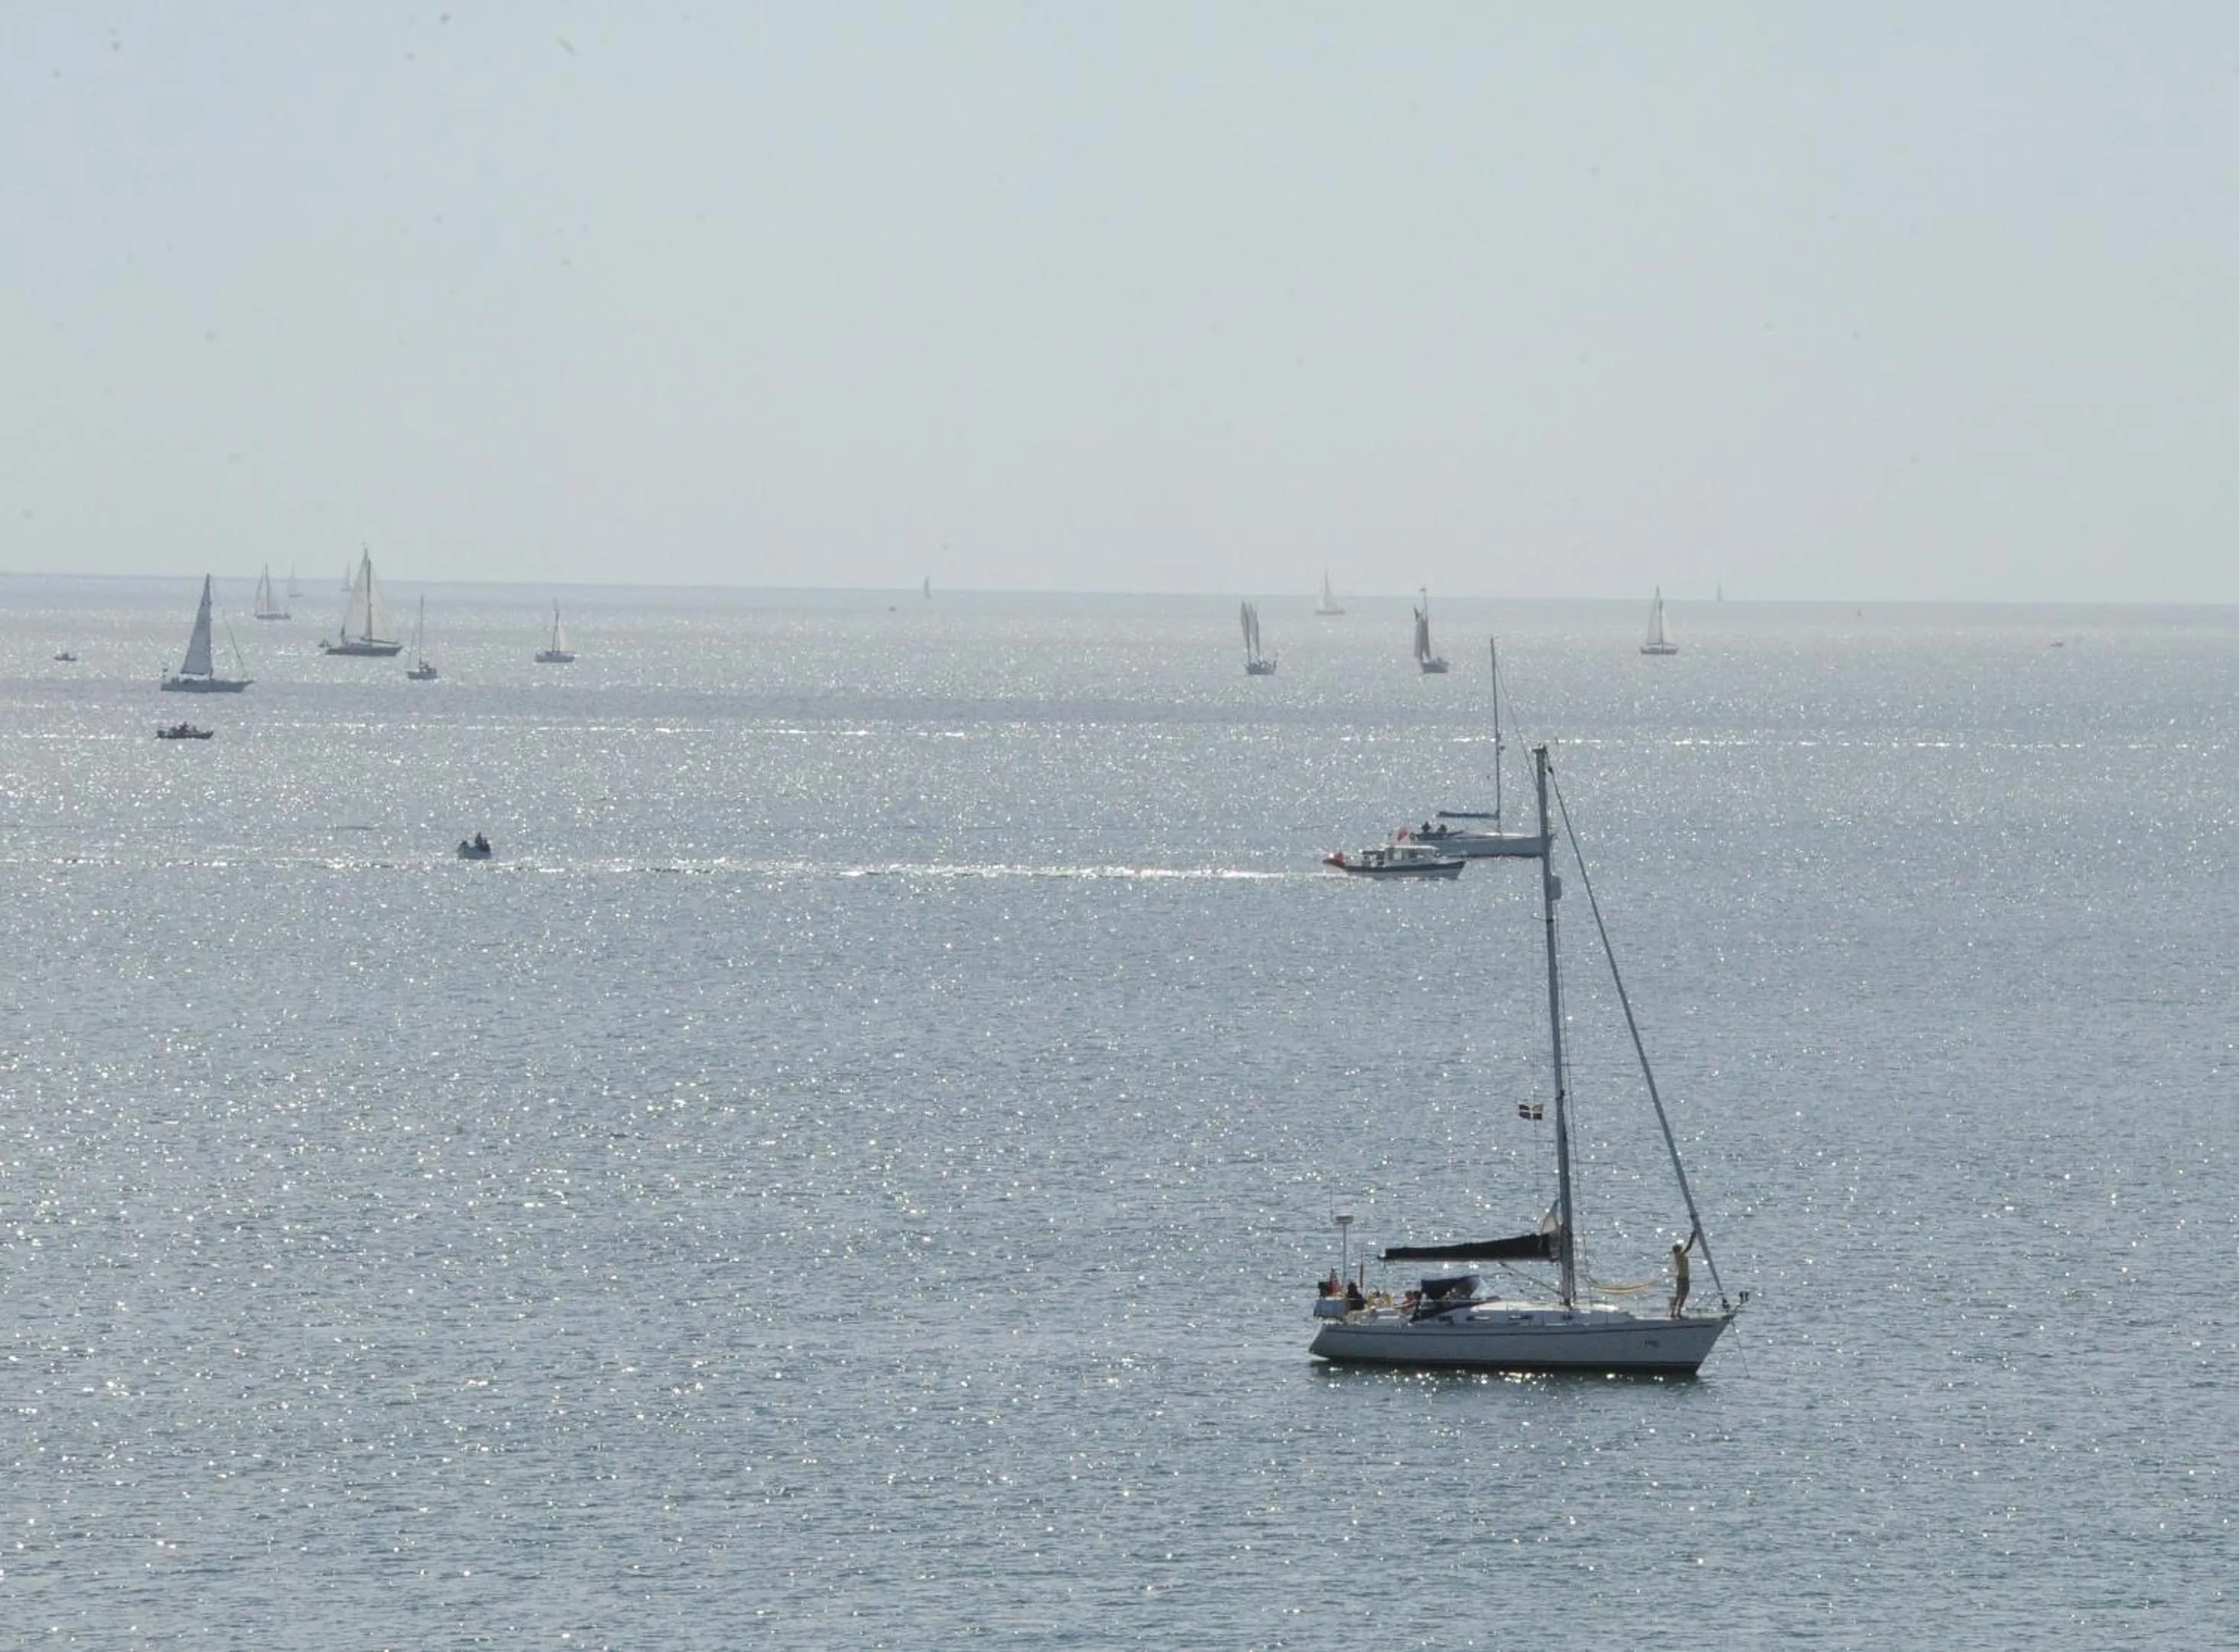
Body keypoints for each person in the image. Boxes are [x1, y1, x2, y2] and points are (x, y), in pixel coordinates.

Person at [1669, 1230, 1697, 1318]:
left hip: (1682, 1278)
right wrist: (1693, 1237)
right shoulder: (1679, 1256)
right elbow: (1689, 1247)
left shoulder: (1679, 1256)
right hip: (1683, 1278)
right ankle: (1678, 1313)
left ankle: (1674, 1312)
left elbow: (1687, 1249)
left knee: (1679, 1295)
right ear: (1678, 1251)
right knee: (1683, 1296)